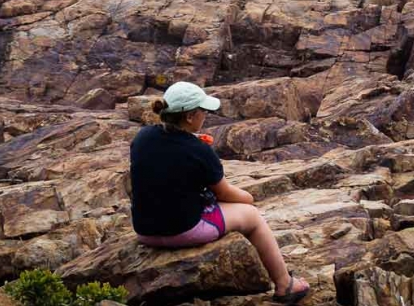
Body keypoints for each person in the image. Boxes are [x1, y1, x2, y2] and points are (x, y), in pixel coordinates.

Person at [130, 81, 311, 304]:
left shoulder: (142, 137)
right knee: (252, 216)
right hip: (182, 230)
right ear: (190, 117)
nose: (206, 115)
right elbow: (225, 193)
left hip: (145, 230)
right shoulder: (199, 150)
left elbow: (166, 162)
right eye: (203, 111)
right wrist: (249, 199)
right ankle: (285, 285)